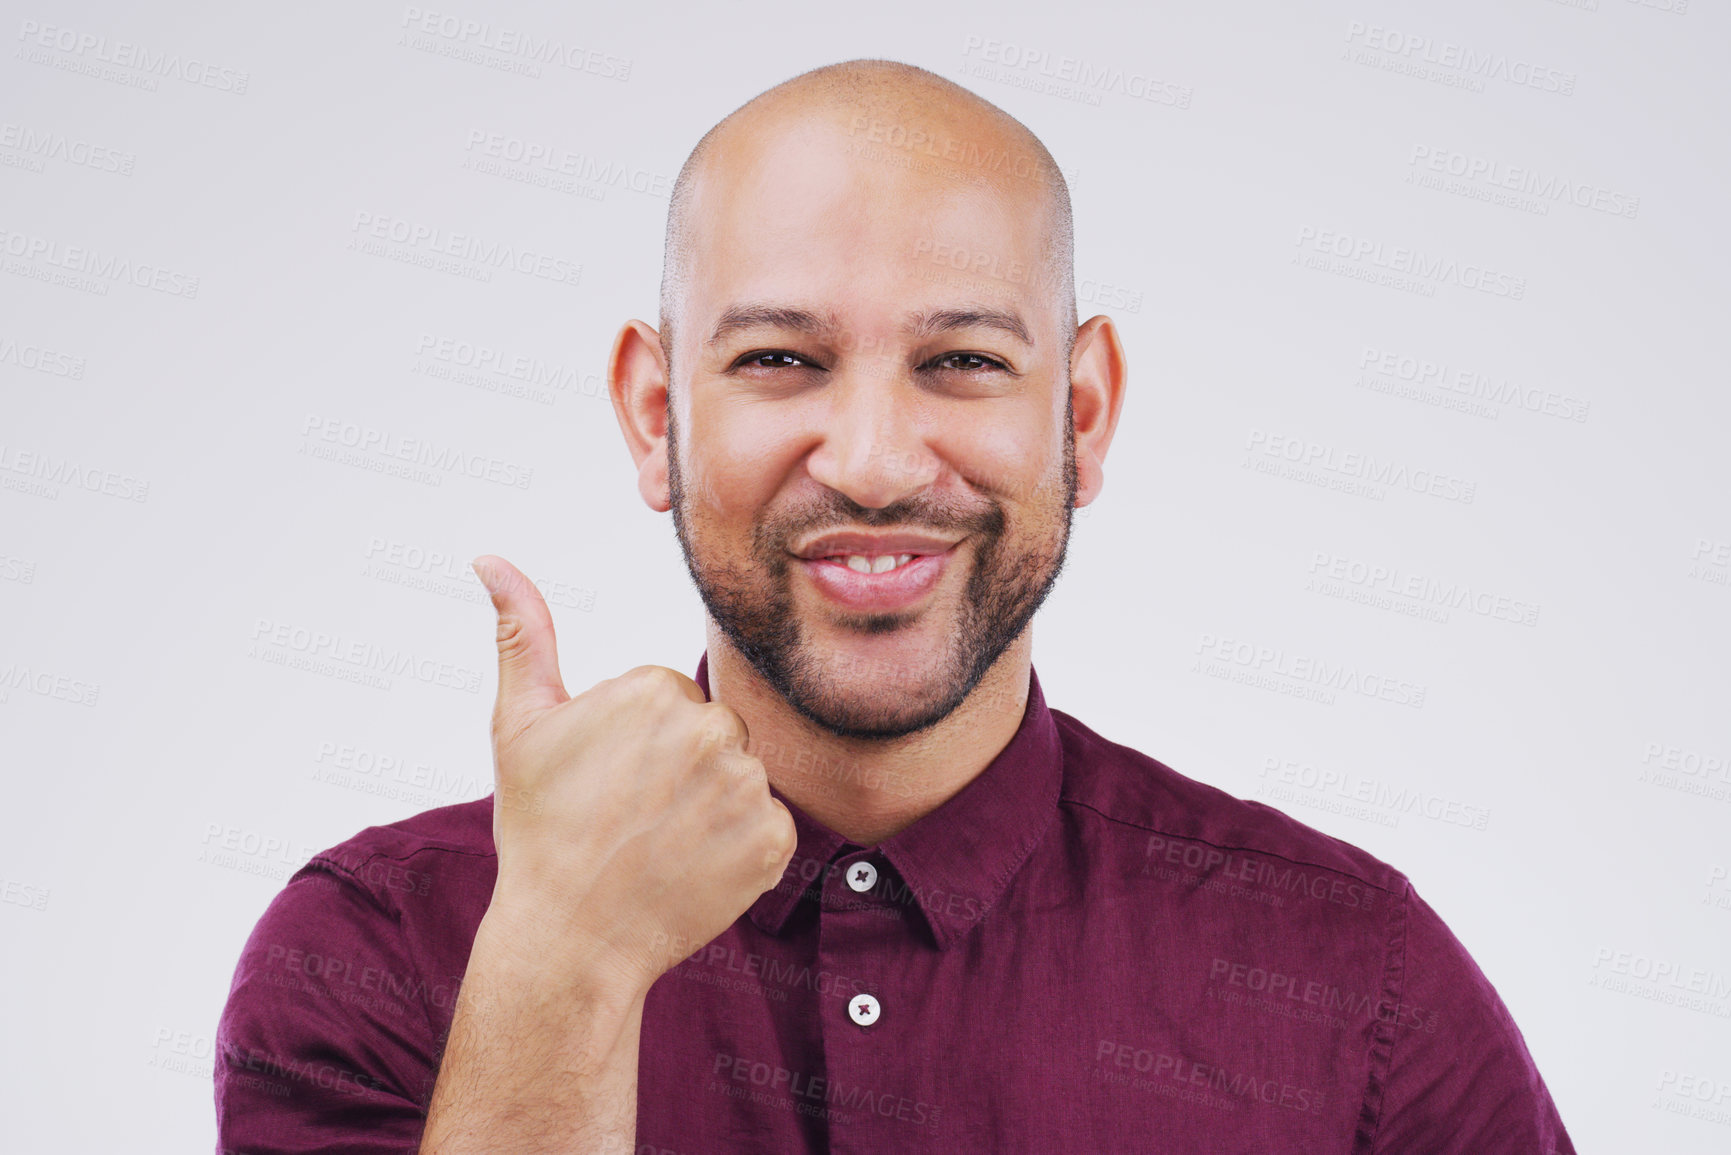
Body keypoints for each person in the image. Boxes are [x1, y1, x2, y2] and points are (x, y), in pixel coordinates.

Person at [215, 58, 1574, 1153]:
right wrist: (560, 963)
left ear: (1082, 415)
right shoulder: (378, 951)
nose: (870, 461)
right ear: (654, 414)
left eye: (964, 359)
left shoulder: (1357, 982)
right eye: (780, 358)